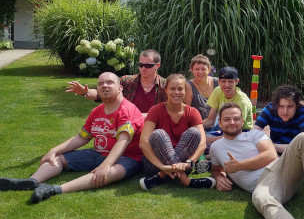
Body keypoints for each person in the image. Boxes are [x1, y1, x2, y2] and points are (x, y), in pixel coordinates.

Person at [0, 72, 144, 203]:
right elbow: (82, 137)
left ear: (120, 88)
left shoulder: (126, 110)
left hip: (127, 158)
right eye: (100, 84)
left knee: (108, 173)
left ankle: (54, 189)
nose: (104, 86)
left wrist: (105, 166)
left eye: (110, 82)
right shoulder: (97, 110)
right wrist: (54, 151)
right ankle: (31, 181)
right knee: (57, 159)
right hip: (99, 153)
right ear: (98, 89)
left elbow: (123, 141)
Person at [138, 74, 215, 190]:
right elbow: (143, 142)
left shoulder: (192, 112)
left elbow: (202, 143)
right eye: (172, 89)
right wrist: (162, 167)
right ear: (166, 90)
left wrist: (189, 162)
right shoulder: (156, 110)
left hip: (183, 164)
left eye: (180, 89)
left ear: (185, 91)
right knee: (159, 134)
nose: (176, 92)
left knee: (195, 132)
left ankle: (160, 177)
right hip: (156, 164)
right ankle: (186, 181)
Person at [66, 49, 166, 114]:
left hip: (153, 127)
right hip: (128, 125)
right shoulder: (127, 81)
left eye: (148, 65)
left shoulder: (165, 85)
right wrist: (85, 92)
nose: (143, 68)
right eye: (140, 65)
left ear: (157, 65)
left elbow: (172, 110)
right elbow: (101, 92)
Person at [253, 85, 304, 155]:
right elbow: (254, 134)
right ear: (276, 105)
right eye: (281, 106)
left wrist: (271, 145)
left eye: (290, 107)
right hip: (273, 154)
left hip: (295, 156)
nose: (285, 111)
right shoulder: (270, 109)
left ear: (297, 105)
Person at [202, 66, 253, 133]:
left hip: (241, 131)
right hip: (224, 126)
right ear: (219, 81)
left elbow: (236, 130)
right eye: (223, 81)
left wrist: (207, 140)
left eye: (230, 82)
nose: (227, 85)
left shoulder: (242, 101)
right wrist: (192, 126)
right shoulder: (217, 91)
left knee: (204, 138)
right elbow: (210, 121)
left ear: (236, 82)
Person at [184, 54, 219, 120]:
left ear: (209, 69)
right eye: (197, 69)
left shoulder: (217, 82)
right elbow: (187, 110)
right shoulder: (188, 86)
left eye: (203, 69)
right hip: (198, 124)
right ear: (192, 70)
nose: (200, 72)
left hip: (218, 123)